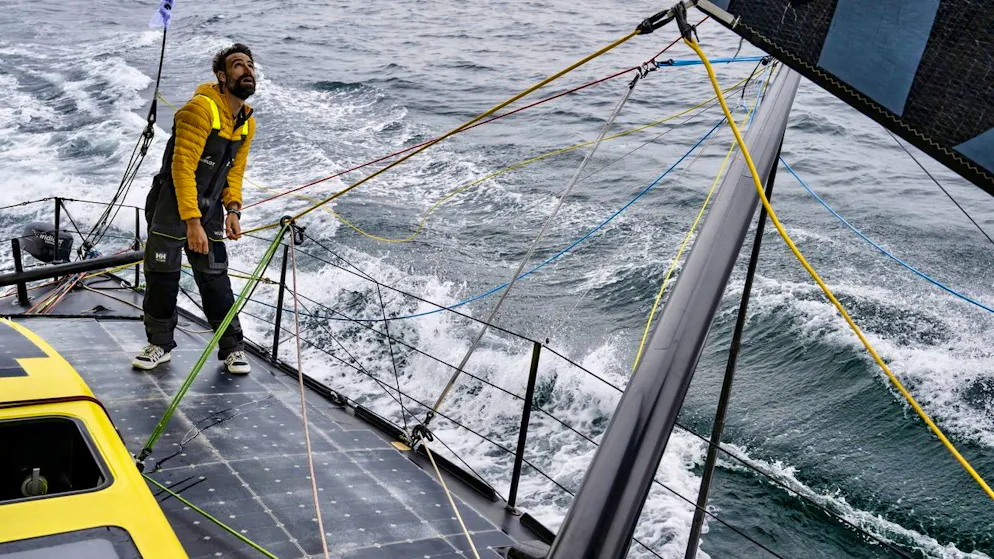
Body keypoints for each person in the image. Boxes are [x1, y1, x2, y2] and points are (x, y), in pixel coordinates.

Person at [133, 43, 258, 374]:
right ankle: (159, 344)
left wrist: (233, 209)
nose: (247, 70)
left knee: (216, 278)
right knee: (163, 276)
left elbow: (234, 172)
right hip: (171, 207)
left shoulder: (246, 122)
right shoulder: (199, 110)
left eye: (250, 65)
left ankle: (232, 348)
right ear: (221, 76)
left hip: (210, 210)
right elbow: (182, 169)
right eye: (237, 65)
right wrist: (192, 223)